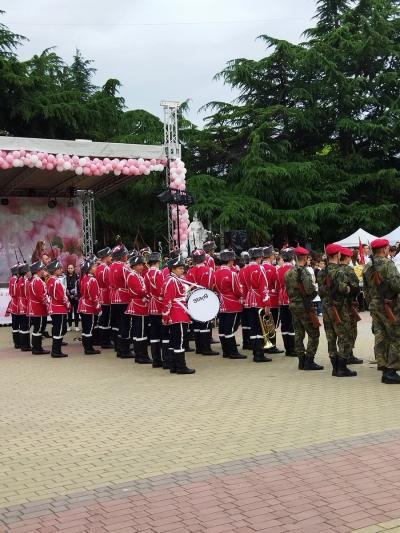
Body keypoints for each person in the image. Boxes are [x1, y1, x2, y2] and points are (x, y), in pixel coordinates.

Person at [363, 238, 400, 384]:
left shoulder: (367, 266)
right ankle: (391, 371)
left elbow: (365, 290)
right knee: (396, 337)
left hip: (374, 305)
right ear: (384, 249)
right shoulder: (387, 264)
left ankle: (383, 365)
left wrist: (372, 302)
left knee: (380, 335)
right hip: (389, 305)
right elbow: (397, 285)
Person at [318, 243, 356, 377]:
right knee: (344, 336)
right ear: (337, 255)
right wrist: (348, 289)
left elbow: (320, 291)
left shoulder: (322, 271)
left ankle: (335, 367)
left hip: (326, 308)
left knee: (331, 337)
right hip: (339, 308)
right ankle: (342, 367)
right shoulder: (339, 271)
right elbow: (343, 289)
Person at [285, 247, 323, 371]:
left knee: (298, 333)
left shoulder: (289, 272)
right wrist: (315, 291)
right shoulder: (304, 272)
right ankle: (309, 360)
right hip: (304, 305)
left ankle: (301, 360)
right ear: (306, 258)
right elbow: (310, 290)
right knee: (314, 333)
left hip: (293, 304)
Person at [162, 256, 195, 374]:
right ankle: (181, 367)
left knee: (174, 340)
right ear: (173, 269)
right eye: (180, 268)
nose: (182, 270)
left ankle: (173, 366)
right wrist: (165, 316)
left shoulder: (172, 279)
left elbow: (176, 295)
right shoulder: (172, 280)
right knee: (179, 341)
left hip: (176, 314)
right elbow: (168, 300)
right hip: (177, 314)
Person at [241, 247, 271, 363]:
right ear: (259, 258)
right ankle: (259, 354)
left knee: (253, 328)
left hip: (249, 301)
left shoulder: (245, 269)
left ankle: (255, 352)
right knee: (259, 328)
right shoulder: (260, 268)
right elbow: (263, 287)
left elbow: (243, 286)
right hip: (258, 300)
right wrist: (267, 303)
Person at [214, 249, 246, 359]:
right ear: (230, 261)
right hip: (232, 304)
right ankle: (233, 352)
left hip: (222, 303)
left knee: (223, 328)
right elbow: (237, 291)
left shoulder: (215, 273)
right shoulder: (232, 274)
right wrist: (243, 293)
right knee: (230, 329)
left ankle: (226, 351)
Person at [186, 249, 218, 356]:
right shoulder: (209, 270)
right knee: (206, 323)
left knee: (196, 324)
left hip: (193, 299)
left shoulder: (190, 271)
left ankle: (199, 347)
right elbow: (210, 285)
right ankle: (206, 348)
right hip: (205, 298)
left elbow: (188, 287)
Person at [124, 254, 152, 364]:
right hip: (138, 305)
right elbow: (141, 291)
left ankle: (141, 354)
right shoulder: (133, 276)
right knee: (140, 332)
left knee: (141, 331)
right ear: (133, 266)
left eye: (142, 265)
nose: (141, 267)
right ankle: (141, 355)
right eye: (138, 265)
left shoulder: (137, 275)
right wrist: (150, 292)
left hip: (140, 305)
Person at [144, 251, 168, 368]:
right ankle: (165, 360)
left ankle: (156, 360)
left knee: (154, 334)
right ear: (158, 262)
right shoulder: (158, 273)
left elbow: (147, 291)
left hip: (151, 305)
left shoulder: (147, 274)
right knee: (164, 333)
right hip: (159, 305)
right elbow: (161, 291)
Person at [340, 247, 363, 364]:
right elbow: (355, 287)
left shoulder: (335, 269)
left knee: (342, 331)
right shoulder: (348, 270)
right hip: (349, 304)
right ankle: (348, 354)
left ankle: (345, 354)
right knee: (351, 330)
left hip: (337, 305)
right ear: (347, 258)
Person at [108, 244, 132, 357]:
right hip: (124, 297)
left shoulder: (111, 266)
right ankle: (125, 350)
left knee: (117, 323)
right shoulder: (124, 267)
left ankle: (118, 347)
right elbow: (130, 282)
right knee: (125, 324)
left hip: (114, 297)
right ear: (123, 256)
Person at [262, 246, 284, 355]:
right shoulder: (273, 268)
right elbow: (277, 284)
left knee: (264, 323)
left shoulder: (260, 267)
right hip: (273, 298)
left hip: (262, 298)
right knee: (272, 323)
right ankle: (272, 345)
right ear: (271, 256)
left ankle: (264, 343)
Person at [46, 259, 70, 358]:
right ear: (55, 270)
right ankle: (56, 351)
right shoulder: (56, 281)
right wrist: (68, 304)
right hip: (59, 308)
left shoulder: (50, 280)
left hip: (54, 307)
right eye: (59, 268)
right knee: (59, 329)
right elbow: (61, 297)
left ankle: (56, 350)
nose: (61, 270)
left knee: (57, 329)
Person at [78, 258, 101, 355]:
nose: (96, 268)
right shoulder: (92, 280)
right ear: (90, 269)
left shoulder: (84, 279)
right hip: (89, 306)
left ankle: (86, 346)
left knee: (85, 327)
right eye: (94, 267)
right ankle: (89, 348)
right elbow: (94, 297)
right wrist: (98, 308)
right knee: (90, 327)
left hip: (83, 305)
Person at [27, 260, 50, 355]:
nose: (44, 271)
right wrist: (48, 305)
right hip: (39, 308)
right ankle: (37, 348)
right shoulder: (38, 281)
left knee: (37, 328)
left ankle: (36, 347)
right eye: (42, 269)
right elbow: (42, 296)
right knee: (39, 328)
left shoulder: (33, 280)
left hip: (34, 307)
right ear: (38, 270)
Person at [277, 248, 296, 356]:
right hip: (291, 297)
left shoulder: (278, 270)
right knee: (292, 324)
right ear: (292, 257)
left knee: (285, 324)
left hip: (281, 298)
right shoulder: (294, 269)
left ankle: (288, 349)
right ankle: (293, 349)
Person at [95, 247, 113, 349]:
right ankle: (105, 341)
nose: (111, 258)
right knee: (106, 319)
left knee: (102, 318)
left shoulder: (98, 268)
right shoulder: (106, 268)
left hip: (100, 295)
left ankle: (102, 340)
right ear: (105, 257)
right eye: (110, 256)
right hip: (106, 295)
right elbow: (108, 284)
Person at [16, 263, 31, 352]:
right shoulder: (25, 281)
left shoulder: (19, 280)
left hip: (20, 305)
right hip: (25, 305)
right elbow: (27, 295)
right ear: (26, 272)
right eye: (29, 271)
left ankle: (23, 345)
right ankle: (26, 346)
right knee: (26, 326)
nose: (30, 273)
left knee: (22, 326)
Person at [8, 264, 20, 349]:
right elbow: (16, 293)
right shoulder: (15, 280)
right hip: (18, 305)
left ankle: (16, 343)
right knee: (18, 324)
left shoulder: (11, 279)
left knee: (15, 325)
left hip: (13, 304)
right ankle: (18, 343)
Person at [66, 264, 80, 332]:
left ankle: (76, 325)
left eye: (71, 268)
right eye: (69, 268)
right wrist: (67, 292)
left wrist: (74, 294)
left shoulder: (77, 276)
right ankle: (69, 326)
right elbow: (64, 286)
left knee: (76, 312)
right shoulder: (65, 277)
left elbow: (78, 287)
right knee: (69, 312)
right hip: (68, 297)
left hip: (75, 297)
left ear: (74, 269)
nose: (70, 269)